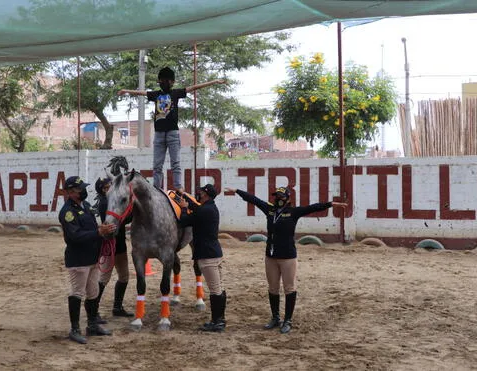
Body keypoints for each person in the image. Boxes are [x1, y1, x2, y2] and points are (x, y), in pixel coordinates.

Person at [224, 185, 347, 334]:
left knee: (289, 288)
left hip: (288, 256)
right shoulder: (270, 209)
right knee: (273, 288)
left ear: (288, 198)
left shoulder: (293, 212)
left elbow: (313, 208)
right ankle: (275, 317)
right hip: (271, 256)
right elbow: (254, 200)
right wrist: (237, 191)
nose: (278, 199)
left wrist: (331, 204)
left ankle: (288, 320)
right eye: (276, 196)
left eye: (281, 197)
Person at [118, 67, 226, 192]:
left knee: (175, 163)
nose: (165, 83)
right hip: (159, 135)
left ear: (172, 82)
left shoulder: (175, 93)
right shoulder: (156, 94)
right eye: (163, 81)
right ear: (160, 82)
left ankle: (178, 187)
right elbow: (141, 92)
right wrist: (125, 90)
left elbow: (194, 87)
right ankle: (157, 189)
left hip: (172, 133)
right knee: (157, 166)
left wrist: (214, 81)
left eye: (167, 81)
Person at [59, 175, 116, 344]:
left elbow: (92, 227)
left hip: (92, 256)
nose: (83, 191)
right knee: (77, 292)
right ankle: (74, 329)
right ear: (70, 192)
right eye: (79, 189)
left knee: (93, 292)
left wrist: (103, 230)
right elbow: (75, 236)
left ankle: (92, 324)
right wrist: (98, 233)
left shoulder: (86, 205)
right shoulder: (67, 212)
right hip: (78, 259)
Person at [178, 184, 226, 332]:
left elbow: (183, 221)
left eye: (201, 192)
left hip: (207, 256)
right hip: (214, 253)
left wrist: (184, 208)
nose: (199, 194)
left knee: (215, 290)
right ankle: (219, 320)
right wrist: (184, 195)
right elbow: (198, 208)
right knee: (219, 289)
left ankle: (217, 322)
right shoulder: (210, 208)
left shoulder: (204, 211)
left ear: (206, 195)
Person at [93, 177, 134, 323]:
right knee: (104, 278)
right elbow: (117, 221)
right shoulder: (105, 203)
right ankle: (93, 310)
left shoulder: (113, 201)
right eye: (105, 188)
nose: (109, 189)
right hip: (110, 244)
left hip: (119, 244)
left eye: (110, 186)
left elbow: (122, 220)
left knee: (124, 276)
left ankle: (117, 307)